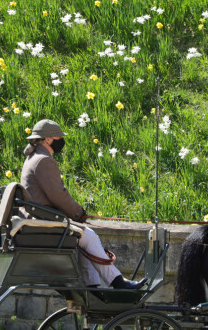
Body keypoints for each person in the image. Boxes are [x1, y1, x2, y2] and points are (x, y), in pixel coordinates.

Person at [20, 119, 146, 290]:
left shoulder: (33, 158)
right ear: (48, 139)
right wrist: (78, 213)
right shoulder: (44, 161)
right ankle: (117, 283)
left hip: (40, 216)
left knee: (84, 238)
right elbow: (59, 195)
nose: (61, 140)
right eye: (58, 136)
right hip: (44, 220)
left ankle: (93, 286)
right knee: (89, 236)